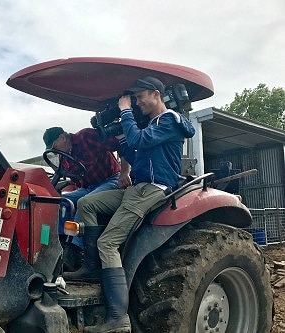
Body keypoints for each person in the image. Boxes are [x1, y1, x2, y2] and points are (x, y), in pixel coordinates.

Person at [66, 76, 195, 333]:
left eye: (138, 97)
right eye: (133, 99)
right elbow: (134, 152)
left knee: (108, 242)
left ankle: (118, 318)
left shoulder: (169, 120)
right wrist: (118, 137)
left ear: (155, 94)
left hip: (154, 188)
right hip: (137, 187)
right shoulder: (150, 125)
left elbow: (140, 141)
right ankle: (91, 267)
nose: (136, 102)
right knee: (87, 203)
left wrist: (125, 112)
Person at [42, 126, 131, 271]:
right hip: (88, 186)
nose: (54, 150)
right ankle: (57, 245)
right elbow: (74, 178)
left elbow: (120, 145)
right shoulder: (62, 156)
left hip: (110, 179)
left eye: (53, 145)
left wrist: (125, 172)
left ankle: (74, 251)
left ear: (63, 137)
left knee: (85, 203)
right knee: (59, 202)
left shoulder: (86, 136)